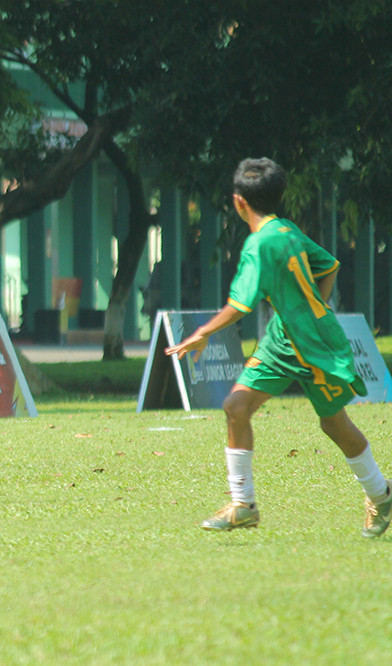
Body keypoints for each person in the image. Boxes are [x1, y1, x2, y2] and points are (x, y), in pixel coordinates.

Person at [165, 157, 392, 537]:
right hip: (284, 338)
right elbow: (330, 266)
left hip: (315, 345)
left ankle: (381, 495)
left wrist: (201, 332)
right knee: (236, 406)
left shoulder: (259, 244)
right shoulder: (286, 229)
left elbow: (240, 305)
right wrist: (308, 310)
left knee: (334, 424)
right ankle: (243, 505)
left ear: (239, 202)